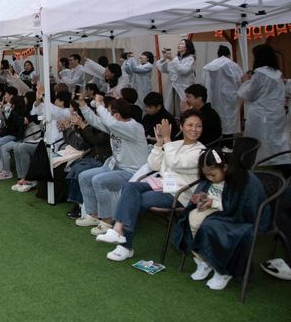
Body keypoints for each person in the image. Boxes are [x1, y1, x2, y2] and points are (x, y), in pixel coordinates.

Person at [95, 111, 205, 262]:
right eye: (190, 125)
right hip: (163, 185)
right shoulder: (174, 144)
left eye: (198, 126)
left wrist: (166, 139)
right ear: (182, 126)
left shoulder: (200, 151)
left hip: (180, 193)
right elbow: (154, 164)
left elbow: (175, 162)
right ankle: (118, 230)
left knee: (138, 198)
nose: (194, 129)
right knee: (131, 187)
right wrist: (159, 143)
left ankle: (124, 244)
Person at [173, 149, 269, 290]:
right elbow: (213, 193)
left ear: (225, 167)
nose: (210, 178)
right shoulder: (215, 175)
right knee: (191, 218)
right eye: (206, 175)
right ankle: (205, 260)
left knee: (210, 226)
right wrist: (202, 198)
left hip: (243, 218)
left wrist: (213, 203)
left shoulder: (244, 180)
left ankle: (223, 270)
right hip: (220, 211)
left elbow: (243, 209)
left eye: (212, 175)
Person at [76, 94, 147, 236]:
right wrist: (83, 105)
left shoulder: (133, 127)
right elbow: (96, 122)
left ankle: (107, 221)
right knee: (84, 176)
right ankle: (93, 215)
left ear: (117, 115)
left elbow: (110, 123)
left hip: (133, 172)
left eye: (110, 112)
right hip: (116, 167)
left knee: (99, 181)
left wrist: (98, 105)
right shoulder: (117, 125)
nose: (107, 114)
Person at [238, 44, 291, 165]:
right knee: (276, 140)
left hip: (261, 115)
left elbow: (249, 94)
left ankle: (263, 164)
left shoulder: (260, 74)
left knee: (261, 143)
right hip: (276, 113)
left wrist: (245, 81)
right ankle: (280, 162)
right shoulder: (277, 73)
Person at [203, 45, 243, 137]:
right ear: (229, 54)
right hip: (230, 98)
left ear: (218, 54)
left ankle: (219, 142)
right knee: (230, 121)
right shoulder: (233, 65)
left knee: (217, 119)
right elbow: (240, 80)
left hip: (215, 97)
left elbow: (205, 80)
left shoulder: (211, 65)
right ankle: (228, 144)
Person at [156, 38, 196, 116]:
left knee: (183, 108)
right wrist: (165, 58)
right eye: (179, 43)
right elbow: (164, 69)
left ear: (187, 47)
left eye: (182, 44)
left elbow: (184, 70)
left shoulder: (191, 58)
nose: (179, 45)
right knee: (171, 107)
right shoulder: (176, 58)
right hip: (173, 86)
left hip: (183, 87)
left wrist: (171, 59)